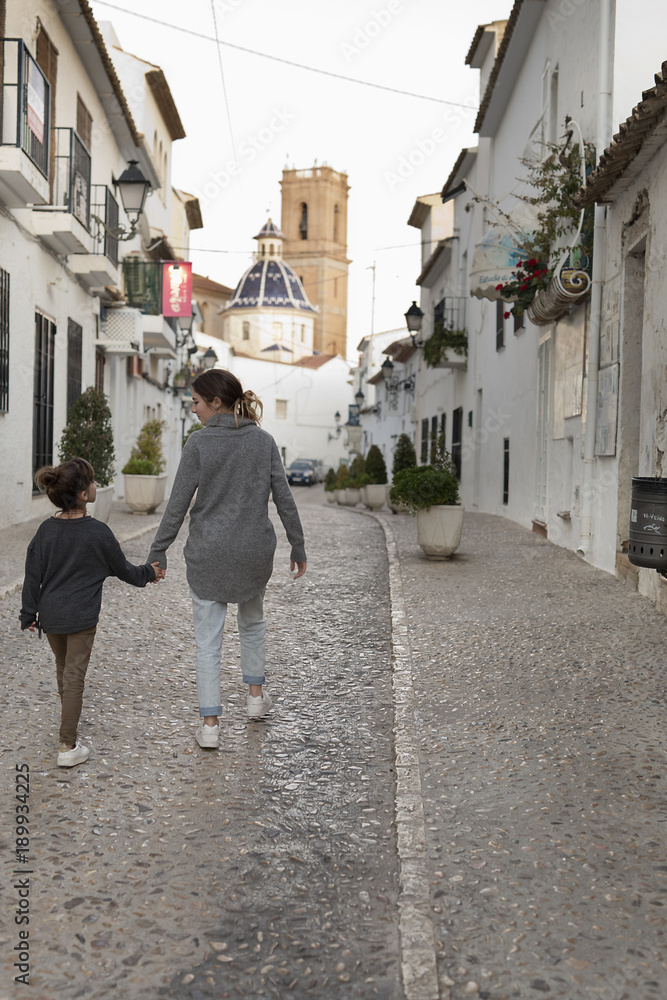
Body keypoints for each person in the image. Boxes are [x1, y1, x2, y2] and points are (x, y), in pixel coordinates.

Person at [146, 368, 307, 750]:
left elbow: (178, 506)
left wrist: (158, 551)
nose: (194, 409)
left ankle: (211, 724)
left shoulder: (198, 444)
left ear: (216, 402)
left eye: (197, 402)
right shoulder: (264, 442)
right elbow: (283, 498)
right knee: (252, 624)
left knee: (208, 641)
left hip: (209, 554)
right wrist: (297, 545)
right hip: (253, 552)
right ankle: (255, 699)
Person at [20, 458, 161, 767]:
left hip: (52, 616)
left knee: (63, 670)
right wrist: (149, 573)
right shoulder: (98, 532)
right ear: (83, 494)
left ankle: (67, 725)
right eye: (94, 482)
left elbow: (33, 574)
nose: (98, 486)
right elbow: (124, 570)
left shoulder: (46, 530)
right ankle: (67, 745)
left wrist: (27, 614)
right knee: (74, 676)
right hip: (82, 619)